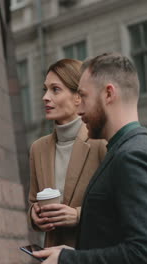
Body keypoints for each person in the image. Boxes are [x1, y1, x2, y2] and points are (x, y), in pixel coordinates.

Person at [33, 53, 147, 264]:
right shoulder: (126, 149)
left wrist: (68, 259)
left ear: (108, 94)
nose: (79, 109)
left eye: (84, 97)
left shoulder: (133, 156)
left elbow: (145, 255)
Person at [28, 59, 106, 248]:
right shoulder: (38, 148)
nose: (45, 97)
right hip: (53, 254)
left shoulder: (101, 143)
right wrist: (34, 215)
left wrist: (78, 215)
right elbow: (33, 201)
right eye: (45, 90)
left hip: (92, 254)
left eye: (55, 89)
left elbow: (117, 205)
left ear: (78, 96)